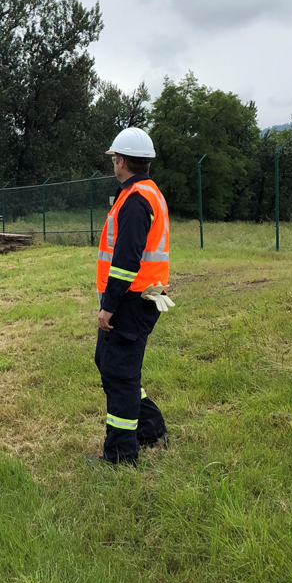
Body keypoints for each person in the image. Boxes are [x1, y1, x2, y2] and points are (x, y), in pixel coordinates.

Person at [91, 127, 173, 466]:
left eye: (114, 158)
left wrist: (109, 307)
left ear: (122, 161)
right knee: (112, 366)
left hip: (130, 301)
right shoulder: (147, 193)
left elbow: (126, 262)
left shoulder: (136, 200)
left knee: (120, 376)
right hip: (141, 298)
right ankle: (151, 428)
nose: (113, 163)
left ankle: (122, 455)